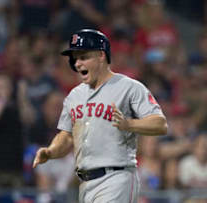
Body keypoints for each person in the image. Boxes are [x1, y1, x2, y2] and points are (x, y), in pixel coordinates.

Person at [33, 29, 168, 203]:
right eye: (75, 58)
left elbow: (160, 124)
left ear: (101, 55)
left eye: (83, 57)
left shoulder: (129, 87)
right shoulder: (74, 96)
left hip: (117, 177)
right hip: (85, 182)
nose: (78, 63)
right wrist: (51, 151)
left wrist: (129, 124)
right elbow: (66, 137)